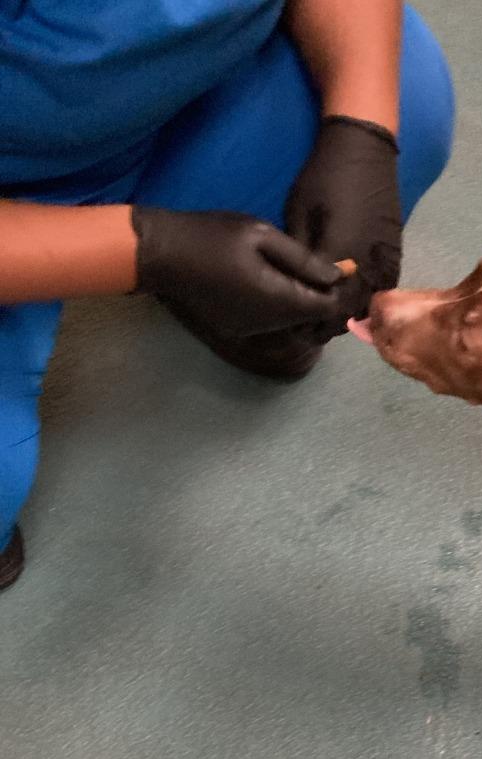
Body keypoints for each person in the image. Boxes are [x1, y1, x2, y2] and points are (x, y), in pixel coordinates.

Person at [0, 0, 454, 590]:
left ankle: (255, 314)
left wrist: (360, 129)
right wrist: (148, 250)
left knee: (411, 111)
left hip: (193, 89)